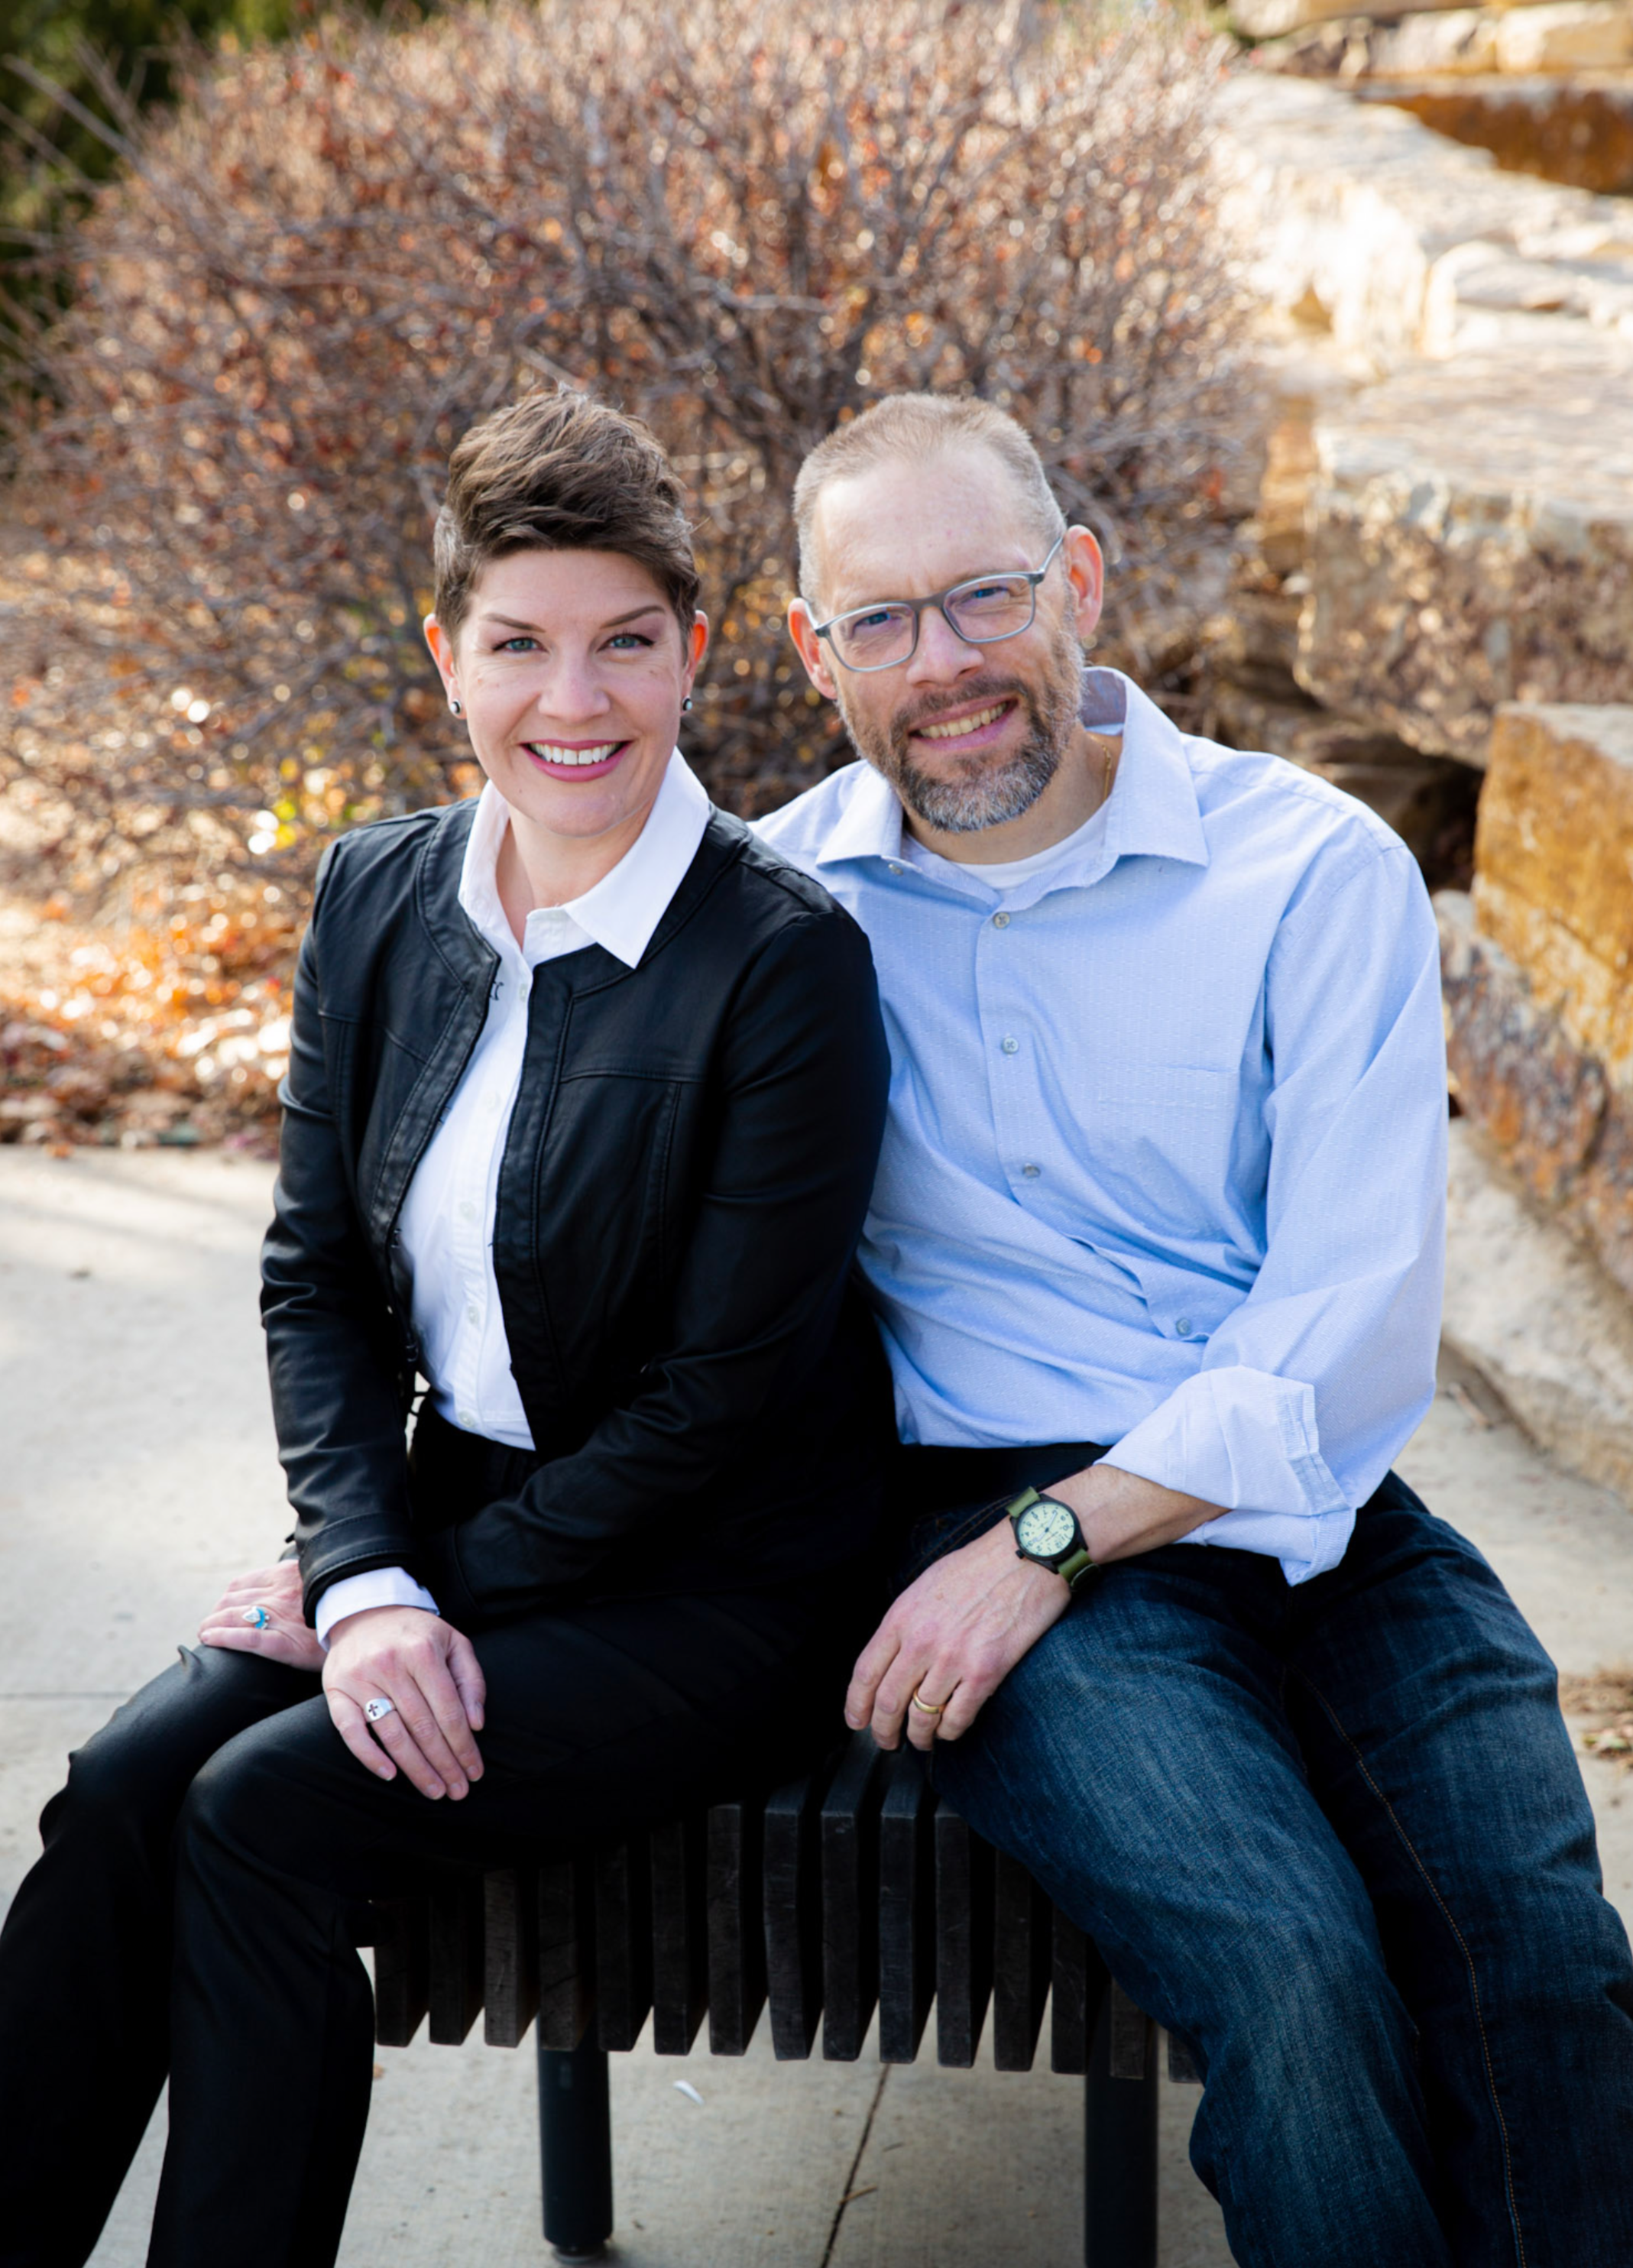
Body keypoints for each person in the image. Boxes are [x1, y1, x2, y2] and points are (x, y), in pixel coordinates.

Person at [0, 387, 893, 2268]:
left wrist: (402, 1589)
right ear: (446, 652)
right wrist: (364, 1563)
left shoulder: (786, 960)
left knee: (263, 1813)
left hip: (714, 1584)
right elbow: (312, 1269)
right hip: (451, 1536)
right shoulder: (381, 895)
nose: (575, 701)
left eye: (625, 642)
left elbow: (720, 1401)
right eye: (520, 644)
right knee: (125, 1787)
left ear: (695, 650)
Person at [758, 391, 1633, 2268]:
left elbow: (1345, 1320)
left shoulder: (1308, 871)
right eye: (883, 620)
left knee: (1543, 1957)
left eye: (985, 596)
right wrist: (362, 1540)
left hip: (1301, 1506)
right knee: (1294, 1968)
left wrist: (1053, 1541)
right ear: (815, 651)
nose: (947, 666)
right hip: (988, 1499)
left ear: (1079, 579)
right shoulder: (774, 912)